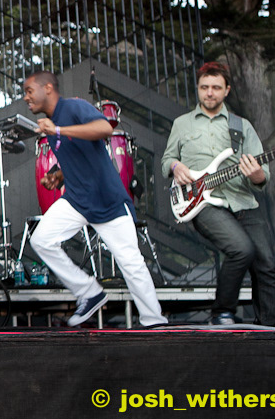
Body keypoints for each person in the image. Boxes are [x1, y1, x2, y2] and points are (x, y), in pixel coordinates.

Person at [23, 71, 167, 327]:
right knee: (41, 240)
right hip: (77, 200)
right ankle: (89, 292)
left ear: (48, 88)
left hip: (107, 200)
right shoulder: (52, 123)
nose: (26, 97)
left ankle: (154, 322)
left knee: (131, 262)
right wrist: (58, 176)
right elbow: (78, 155)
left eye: (29, 91)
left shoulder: (73, 108)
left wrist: (58, 129)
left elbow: (104, 129)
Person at [161, 62, 275, 326]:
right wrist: (176, 166)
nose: (209, 92)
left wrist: (255, 174)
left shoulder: (242, 126)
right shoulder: (182, 124)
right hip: (201, 202)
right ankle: (223, 312)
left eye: (216, 87)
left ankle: (270, 327)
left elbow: (262, 177)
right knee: (241, 249)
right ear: (198, 89)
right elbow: (166, 160)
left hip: (242, 200)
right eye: (204, 87)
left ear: (227, 90)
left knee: (266, 264)